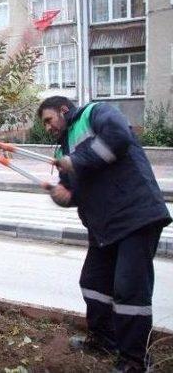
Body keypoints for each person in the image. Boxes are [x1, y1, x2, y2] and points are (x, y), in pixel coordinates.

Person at [38, 96, 171, 373]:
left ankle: (134, 362)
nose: (48, 127)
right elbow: (72, 194)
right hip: (105, 227)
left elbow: (119, 137)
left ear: (64, 110)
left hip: (135, 215)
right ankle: (104, 340)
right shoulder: (66, 147)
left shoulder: (95, 113)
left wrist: (74, 162)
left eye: (49, 120)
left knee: (129, 291)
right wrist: (58, 194)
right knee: (93, 283)